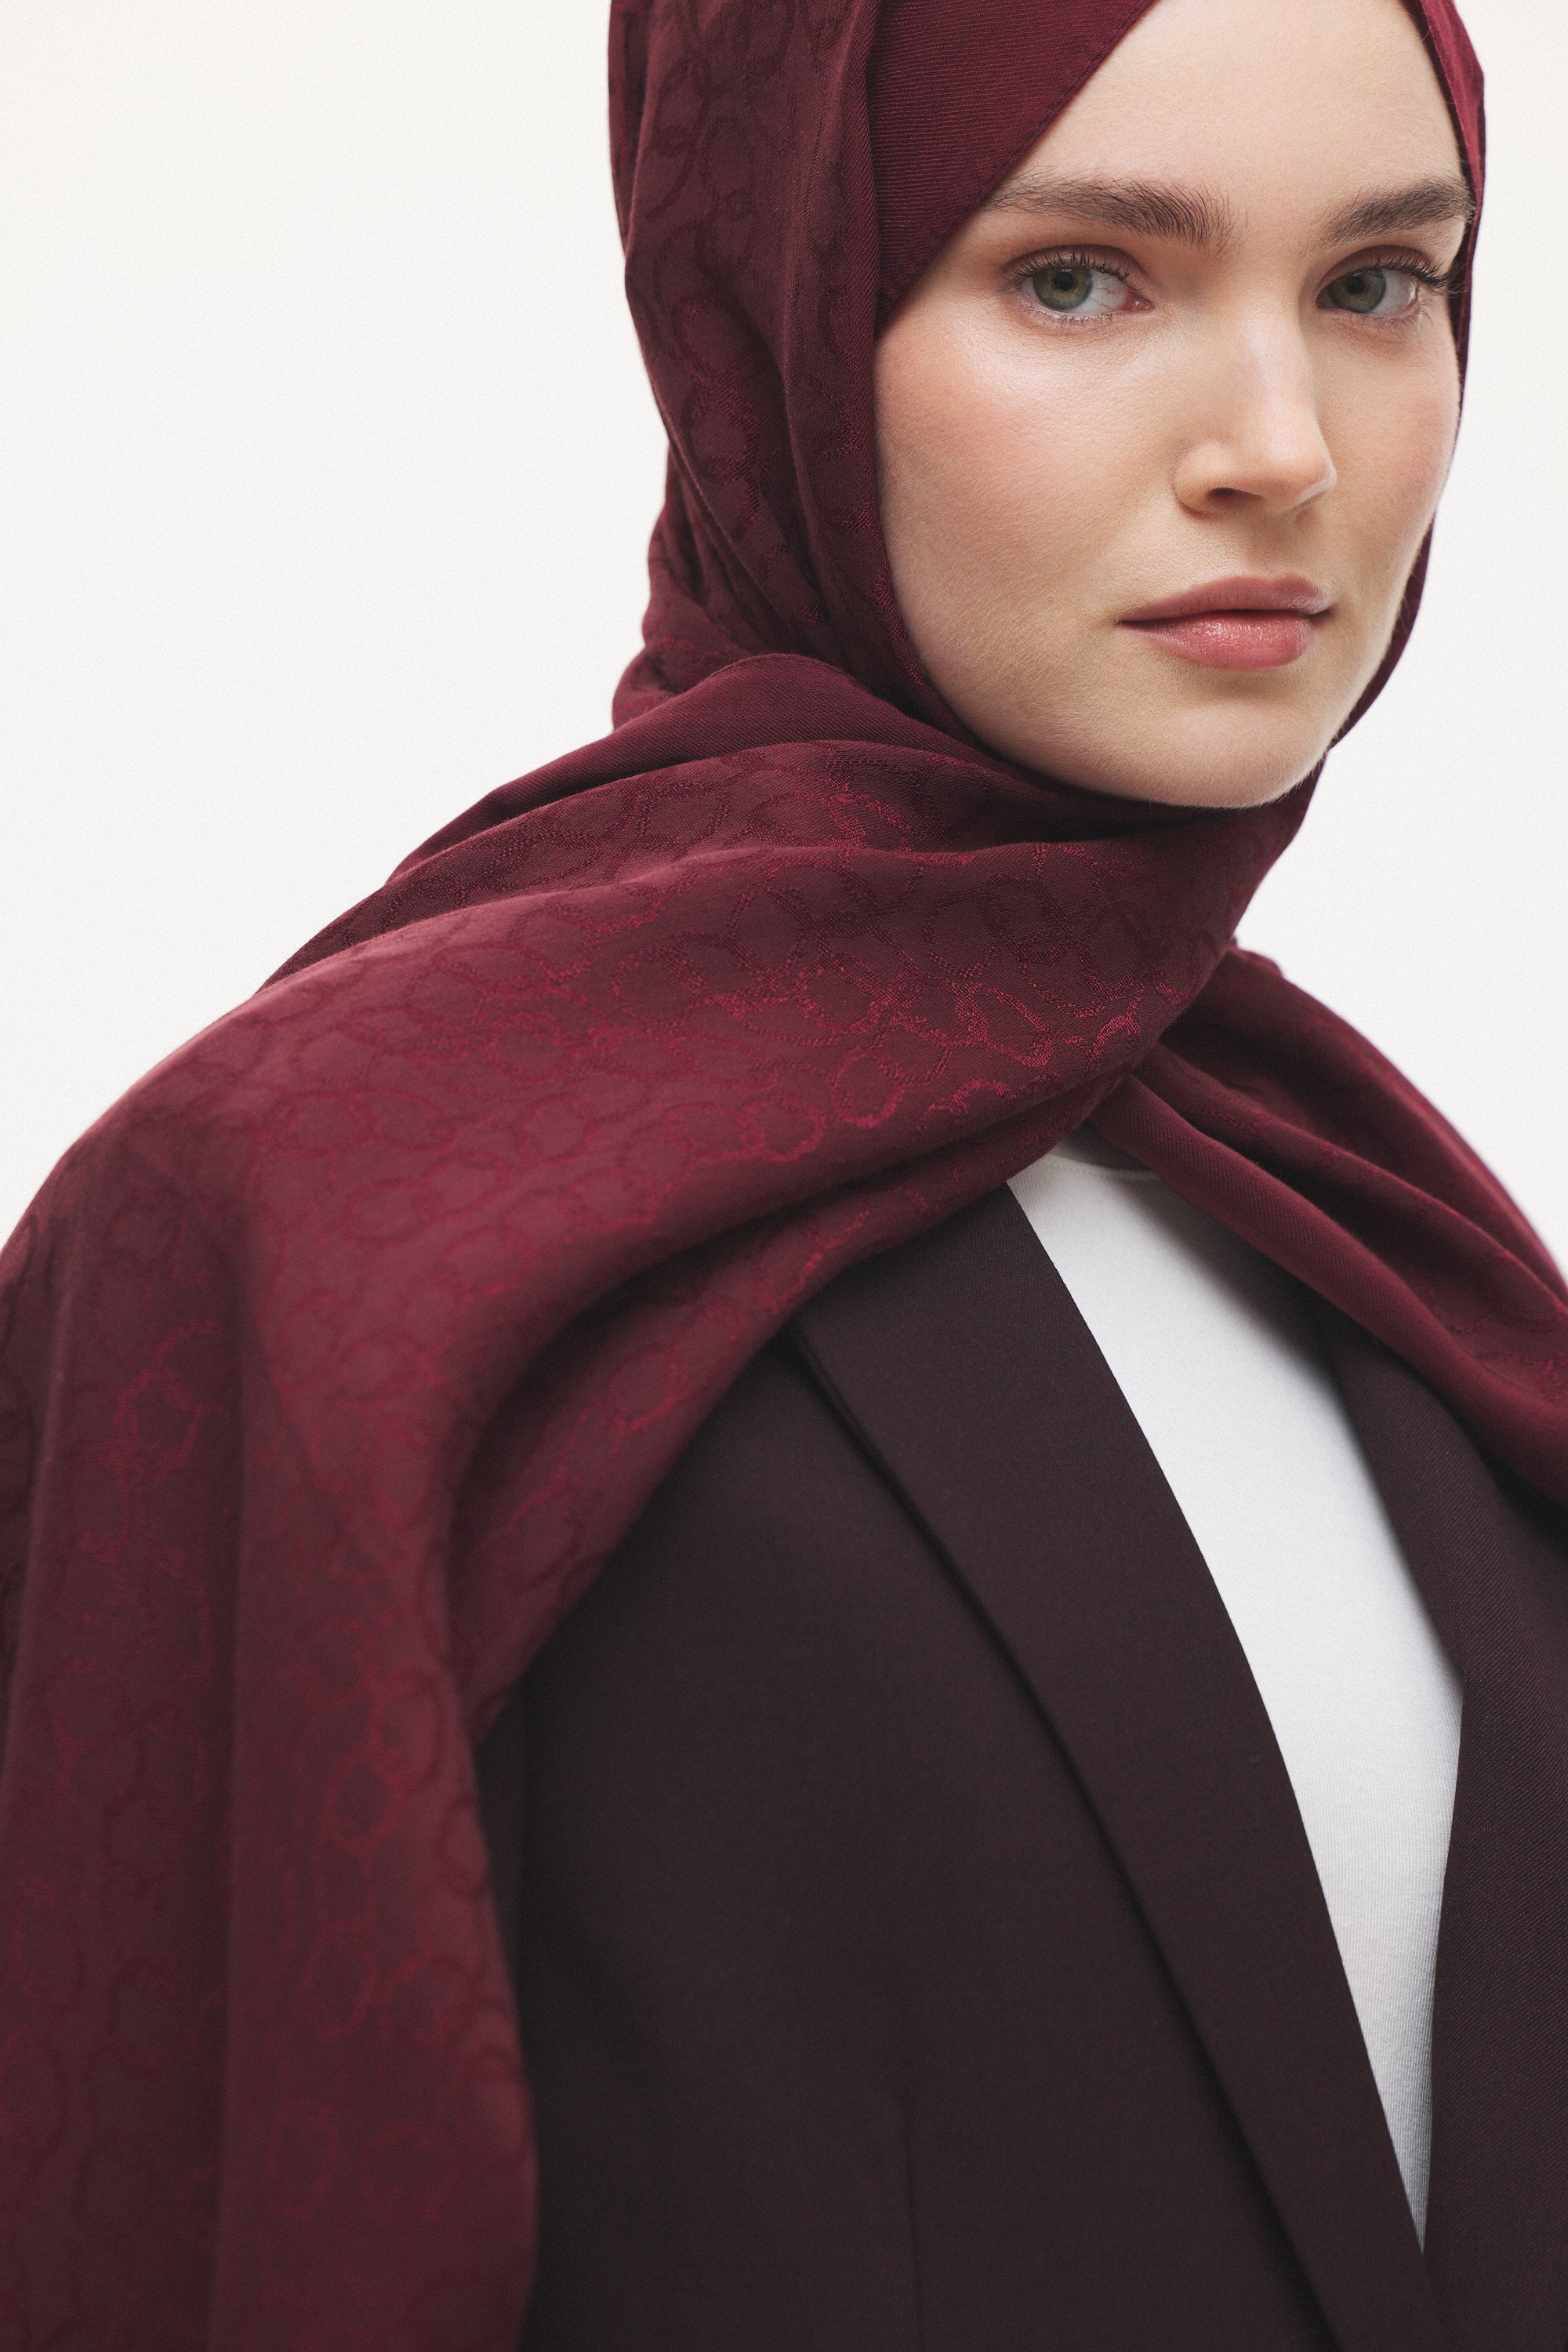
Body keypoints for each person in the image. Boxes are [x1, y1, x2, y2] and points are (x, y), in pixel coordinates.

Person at [0, 0, 1562, 2345]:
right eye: (1079, 277)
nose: (1281, 447)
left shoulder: (1362, 1206)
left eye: (1375, 282)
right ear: (772, 317)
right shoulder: (301, 1224)